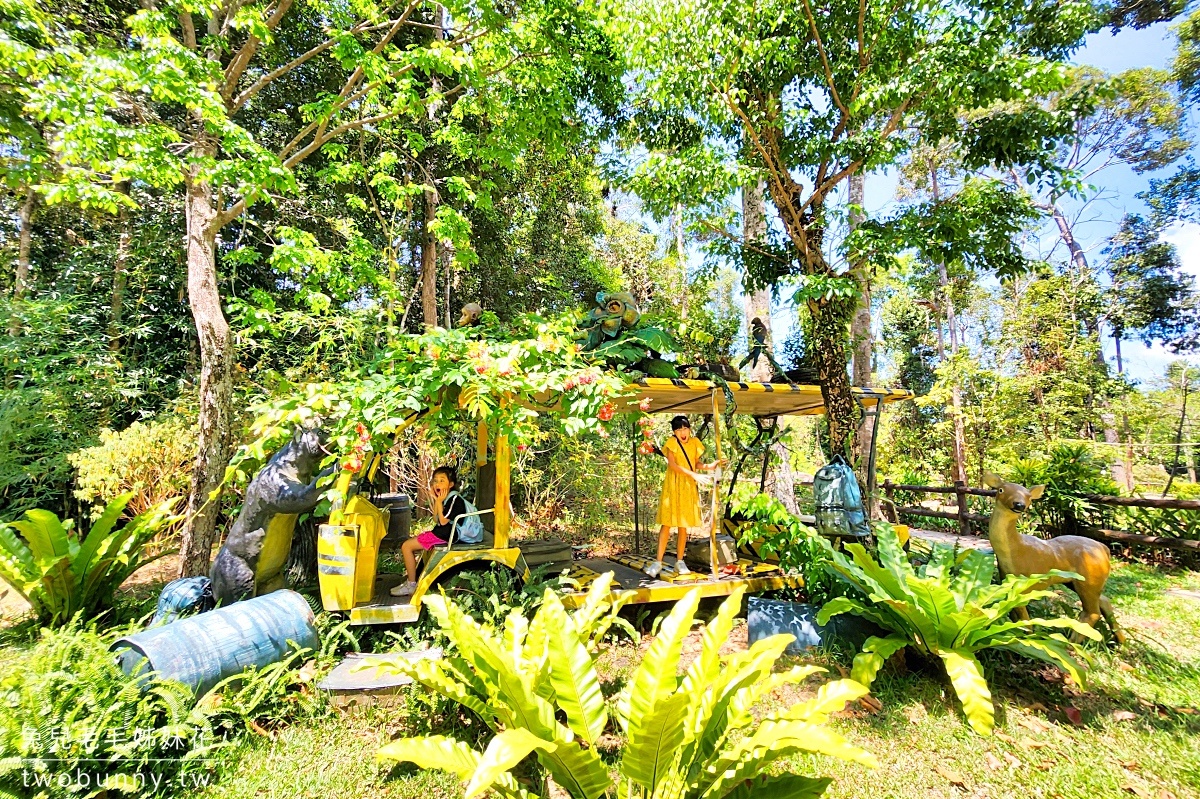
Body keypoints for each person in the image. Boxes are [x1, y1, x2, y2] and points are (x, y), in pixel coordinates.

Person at [645, 416, 723, 578]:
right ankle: (658, 562)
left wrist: (710, 466)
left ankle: (680, 561)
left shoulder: (694, 443)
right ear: (674, 432)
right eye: (679, 429)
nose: (683, 432)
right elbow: (673, 465)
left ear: (689, 429)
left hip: (688, 486)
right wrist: (693, 475)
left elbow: (695, 463)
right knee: (667, 523)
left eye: (685, 428)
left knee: (683, 523)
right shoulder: (672, 443)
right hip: (674, 484)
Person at [390, 465, 467, 597]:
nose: (437, 483)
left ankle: (411, 585)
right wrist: (437, 500)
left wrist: (439, 501)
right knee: (408, 545)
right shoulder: (446, 498)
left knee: (406, 546)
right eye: (435, 480)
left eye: (442, 480)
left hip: (447, 535)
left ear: (451, 484)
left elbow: (443, 522)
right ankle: (411, 581)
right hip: (441, 532)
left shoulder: (455, 499)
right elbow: (436, 519)